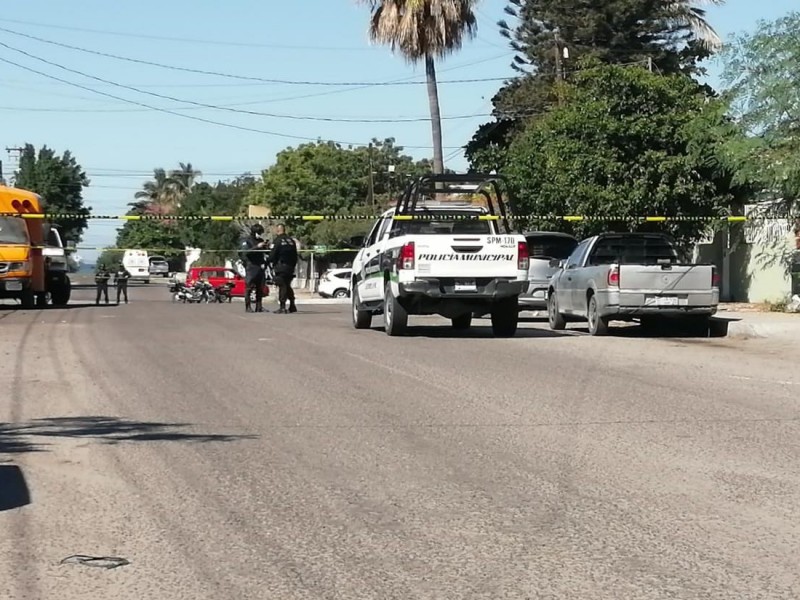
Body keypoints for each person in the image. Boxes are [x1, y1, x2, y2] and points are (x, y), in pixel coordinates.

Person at [238, 223, 269, 312]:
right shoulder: (247, 241)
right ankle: (248, 307)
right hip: (251, 266)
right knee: (249, 287)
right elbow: (245, 252)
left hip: (260, 266)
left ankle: (259, 306)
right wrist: (257, 247)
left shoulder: (260, 240)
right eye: (259, 232)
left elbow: (265, 253)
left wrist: (267, 247)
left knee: (260, 287)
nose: (260, 234)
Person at [269, 223, 299, 314]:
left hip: (281, 266)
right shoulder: (291, 241)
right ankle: (292, 305)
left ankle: (282, 307)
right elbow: (295, 255)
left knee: (282, 285)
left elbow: (272, 255)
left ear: (278, 230)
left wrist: (269, 261)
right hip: (290, 267)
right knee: (287, 285)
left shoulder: (277, 241)